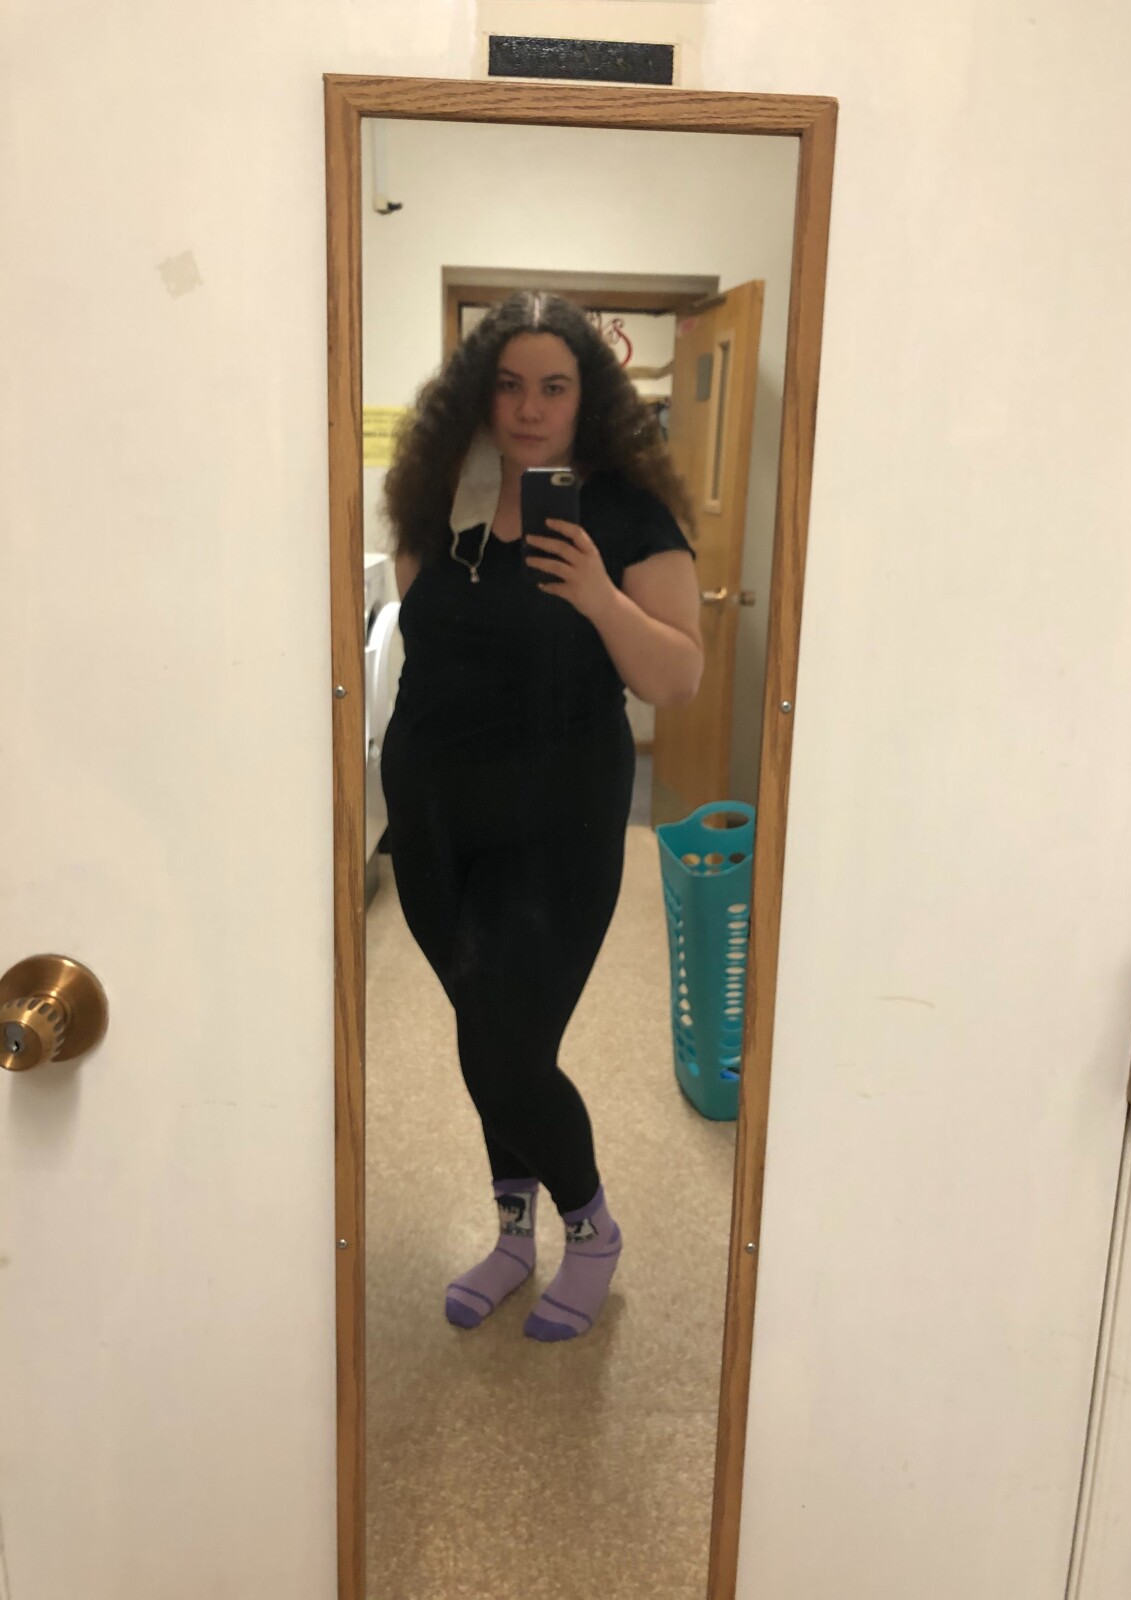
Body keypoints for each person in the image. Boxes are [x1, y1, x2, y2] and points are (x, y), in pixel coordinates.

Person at [380, 291, 702, 1342]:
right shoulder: (439, 498)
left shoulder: (625, 513)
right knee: (487, 1036)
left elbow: (678, 678)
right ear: (479, 394)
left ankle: (591, 1232)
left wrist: (601, 597)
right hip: (435, 814)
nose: (528, 408)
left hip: (556, 820)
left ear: (585, 395)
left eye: (552, 387)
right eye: (508, 385)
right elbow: (423, 636)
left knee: (507, 1044)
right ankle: (513, 1237)